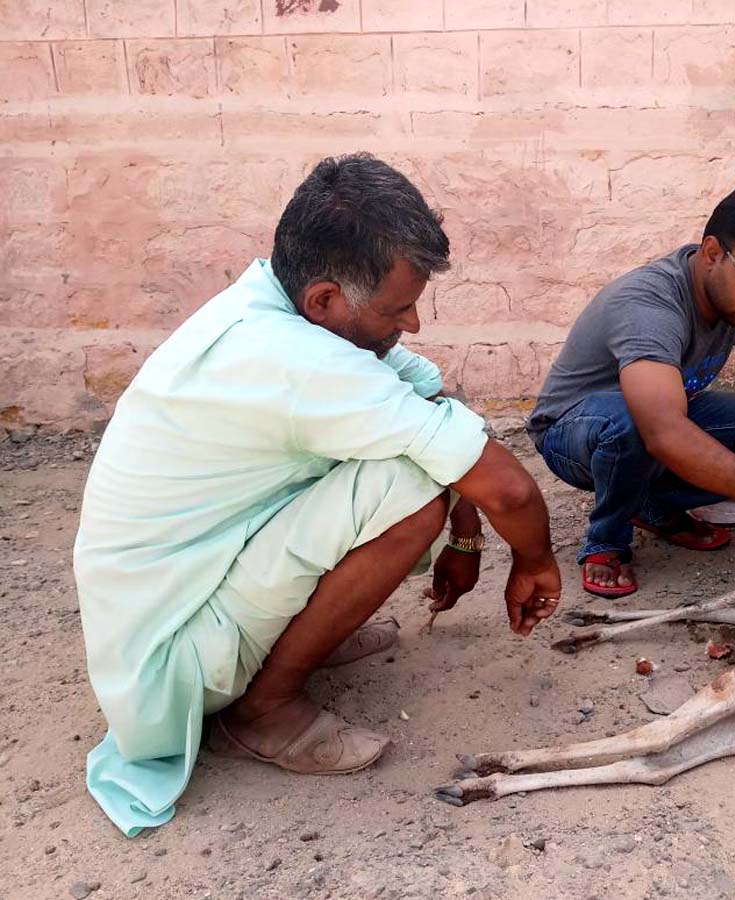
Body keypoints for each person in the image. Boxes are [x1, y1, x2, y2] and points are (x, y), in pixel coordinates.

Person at [74, 153, 562, 836]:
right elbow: (506, 486)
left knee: (416, 454)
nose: (413, 323)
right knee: (413, 488)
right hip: (172, 661)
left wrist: (468, 534)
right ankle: (261, 709)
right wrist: (535, 560)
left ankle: (287, 642)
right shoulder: (298, 362)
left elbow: (430, 397)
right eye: (397, 308)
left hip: (179, 598)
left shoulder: (268, 302)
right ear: (325, 299)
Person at [527, 177, 735, 597]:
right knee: (632, 423)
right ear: (712, 253)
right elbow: (664, 431)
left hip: (658, 422)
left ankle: (652, 504)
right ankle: (606, 540)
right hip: (574, 432)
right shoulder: (649, 305)